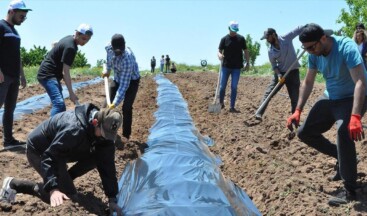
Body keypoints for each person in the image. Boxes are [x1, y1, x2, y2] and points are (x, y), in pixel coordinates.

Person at [286, 23, 367, 206]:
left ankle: (350, 189)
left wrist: (355, 116)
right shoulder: (314, 53)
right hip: (331, 97)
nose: (309, 52)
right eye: (305, 49)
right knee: (304, 132)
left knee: (343, 131)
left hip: (352, 96)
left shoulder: (346, 47)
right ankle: (342, 158)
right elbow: (308, 82)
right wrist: (298, 110)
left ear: (323, 38)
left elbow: (361, 82)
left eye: (311, 47)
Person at [0, 103, 123, 215]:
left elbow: (107, 164)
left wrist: (112, 198)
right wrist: (54, 188)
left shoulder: (104, 134)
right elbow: (49, 157)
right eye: (103, 133)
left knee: (98, 156)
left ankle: (64, 179)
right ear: (95, 122)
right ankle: (14, 184)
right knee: (67, 198)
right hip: (40, 150)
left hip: (62, 150)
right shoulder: (74, 129)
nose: (105, 137)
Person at [37, 23, 93, 117]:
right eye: (83, 38)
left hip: (52, 75)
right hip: (47, 75)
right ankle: (51, 129)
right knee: (59, 105)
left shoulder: (69, 38)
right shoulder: (71, 47)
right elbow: (65, 72)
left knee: (59, 104)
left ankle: (55, 126)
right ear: (77, 34)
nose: (85, 42)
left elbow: (55, 43)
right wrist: (71, 93)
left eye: (87, 40)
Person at [0, 0, 32, 150]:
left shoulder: (15, 31)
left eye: (25, 17)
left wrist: (22, 74)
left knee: (10, 109)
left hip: (13, 76)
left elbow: (17, 55)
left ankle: (8, 140)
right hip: (2, 75)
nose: (23, 19)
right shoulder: (1, 26)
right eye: (21, 16)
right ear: (11, 12)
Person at [255, 26, 304, 119]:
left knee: (295, 98)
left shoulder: (286, 38)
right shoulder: (270, 51)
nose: (267, 40)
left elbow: (297, 30)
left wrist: (307, 28)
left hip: (293, 72)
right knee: (269, 93)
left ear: (273, 35)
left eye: (268, 38)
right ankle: (259, 112)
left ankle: (294, 118)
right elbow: (274, 65)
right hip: (280, 73)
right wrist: (279, 75)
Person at [103, 34, 140, 143]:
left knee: (127, 107)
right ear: (112, 47)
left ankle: (126, 135)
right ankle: (101, 129)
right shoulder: (108, 48)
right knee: (106, 102)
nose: (119, 53)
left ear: (124, 46)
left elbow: (124, 86)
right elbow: (109, 60)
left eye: (121, 50)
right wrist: (108, 70)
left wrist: (114, 103)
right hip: (117, 77)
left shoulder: (127, 58)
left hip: (132, 80)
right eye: (116, 50)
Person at [217, 20, 250, 113]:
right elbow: (219, 50)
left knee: (234, 86)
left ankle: (232, 107)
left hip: (236, 67)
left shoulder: (241, 39)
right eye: (232, 30)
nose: (234, 32)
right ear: (229, 28)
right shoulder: (224, 39)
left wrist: (247, 62)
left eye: (235, 30)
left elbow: (246, 51)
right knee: (222, 86)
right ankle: (220, 104)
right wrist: (219, 55)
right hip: (225, 67)